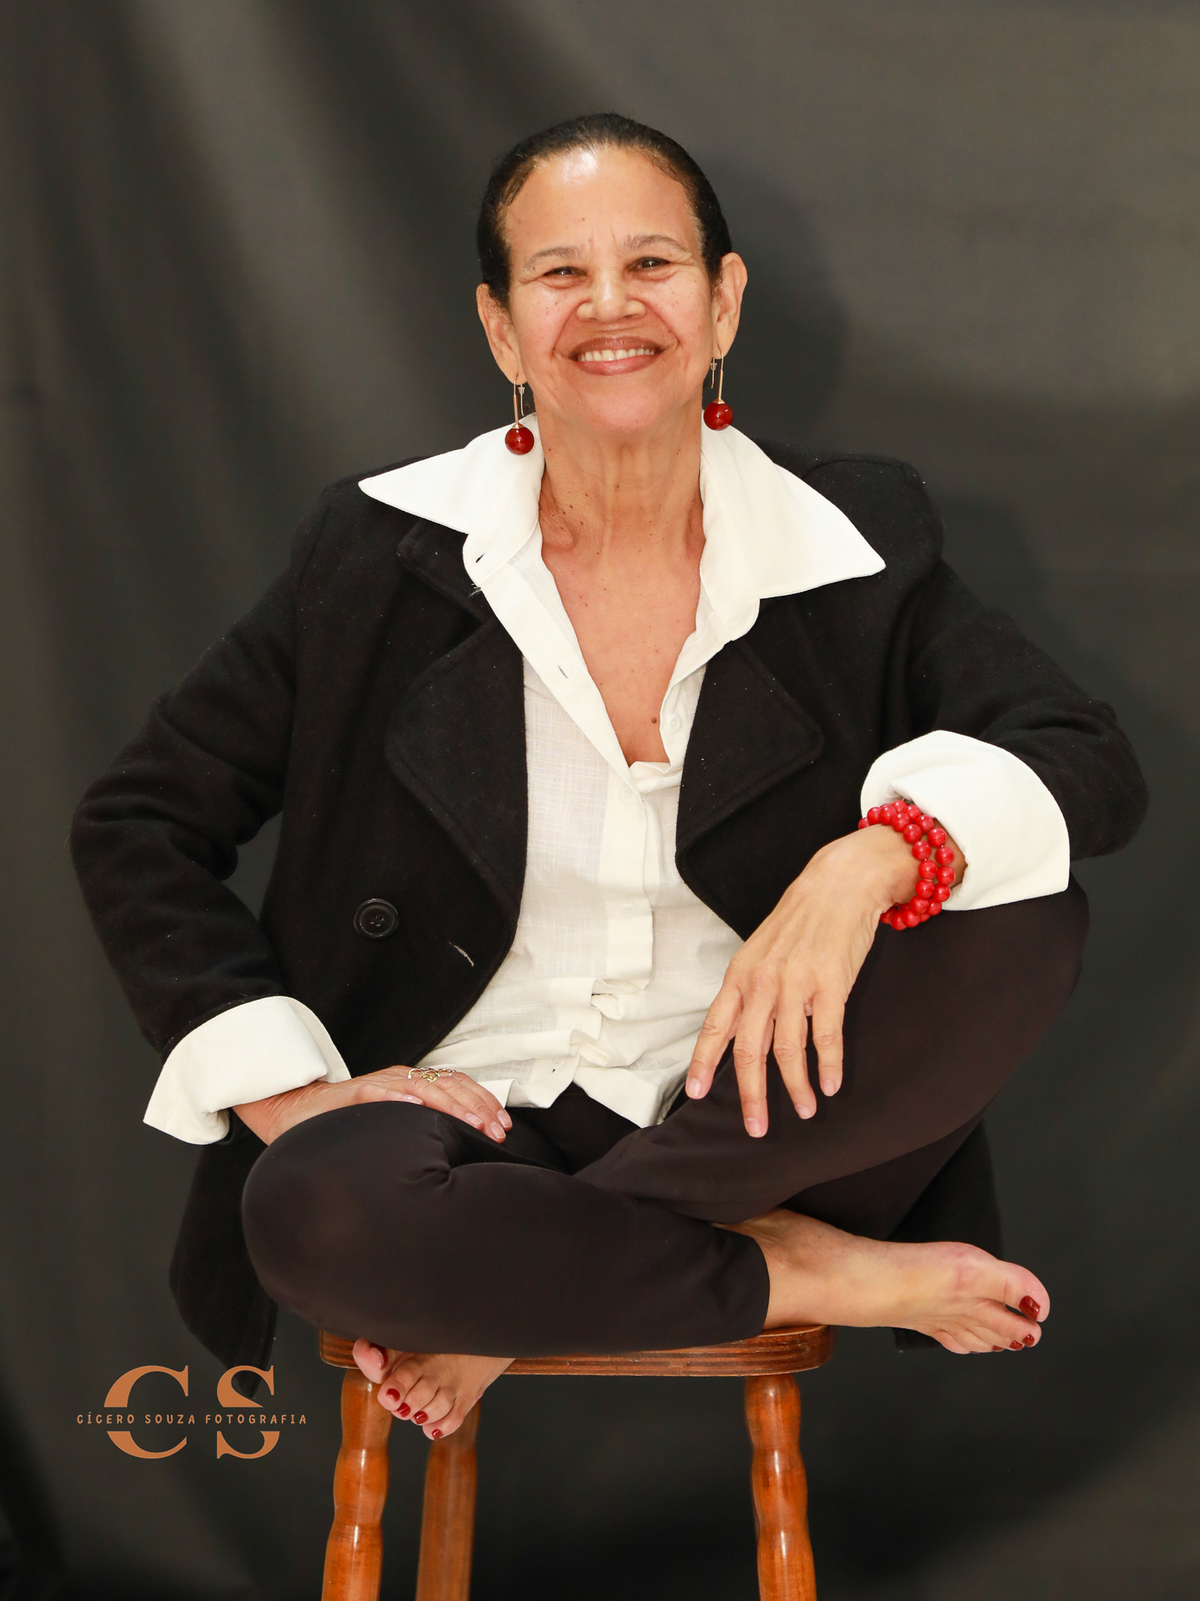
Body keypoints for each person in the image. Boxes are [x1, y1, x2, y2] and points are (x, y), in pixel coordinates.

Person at [72, 114, 1146, 1446]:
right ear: (501, 329)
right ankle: (802, 1269)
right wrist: (291, 1095)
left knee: (1026, 919)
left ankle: (525, 1294)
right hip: (470, 1125)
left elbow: (1082, 755)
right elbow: (138, 821)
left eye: (651, 263)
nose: (610, 306)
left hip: (763, 1113)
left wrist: (867, 863)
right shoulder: (375, 553)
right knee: (316, 1209)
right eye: (559, 273)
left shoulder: (856, 537)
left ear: (722, 302)